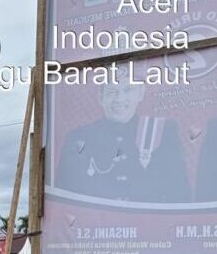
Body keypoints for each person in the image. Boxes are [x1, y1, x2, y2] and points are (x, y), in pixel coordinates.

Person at [55, 64, 188, 203]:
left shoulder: (163, 132)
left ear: (140, 93)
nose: (119, 99)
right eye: (112, 92)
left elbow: (180, 196)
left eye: (128, 90)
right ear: (100, 97)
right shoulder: (78, 138)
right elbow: (64, 199)